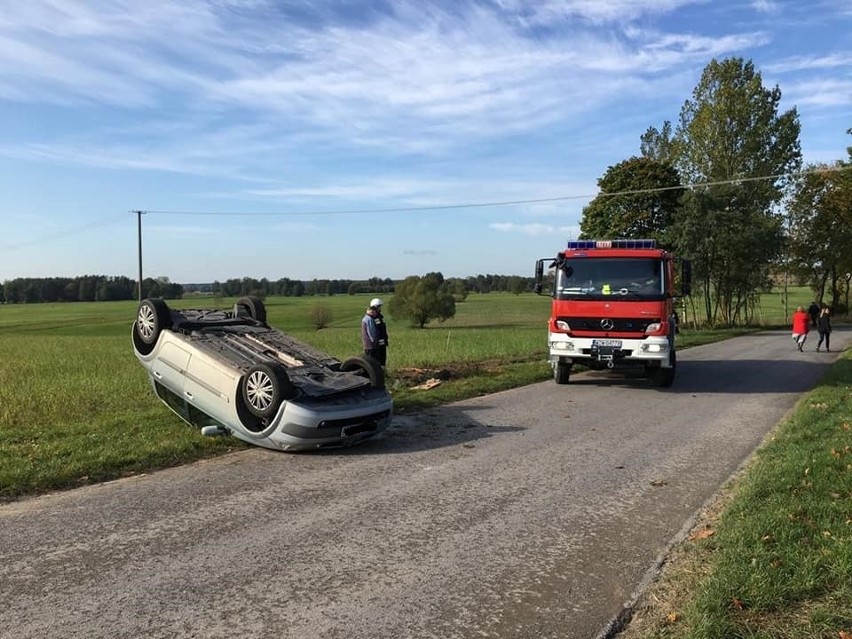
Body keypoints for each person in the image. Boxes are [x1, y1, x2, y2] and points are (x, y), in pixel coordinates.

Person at [361, 297, 389, 366]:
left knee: (379, 363)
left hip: (377, 345)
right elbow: (373, 335)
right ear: (375, 307)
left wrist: (383, 342)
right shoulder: (370, 319)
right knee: (373, 365)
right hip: (371, 347)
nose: (380, 308)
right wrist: (377, 343)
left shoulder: (376, 317)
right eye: (379, 307)